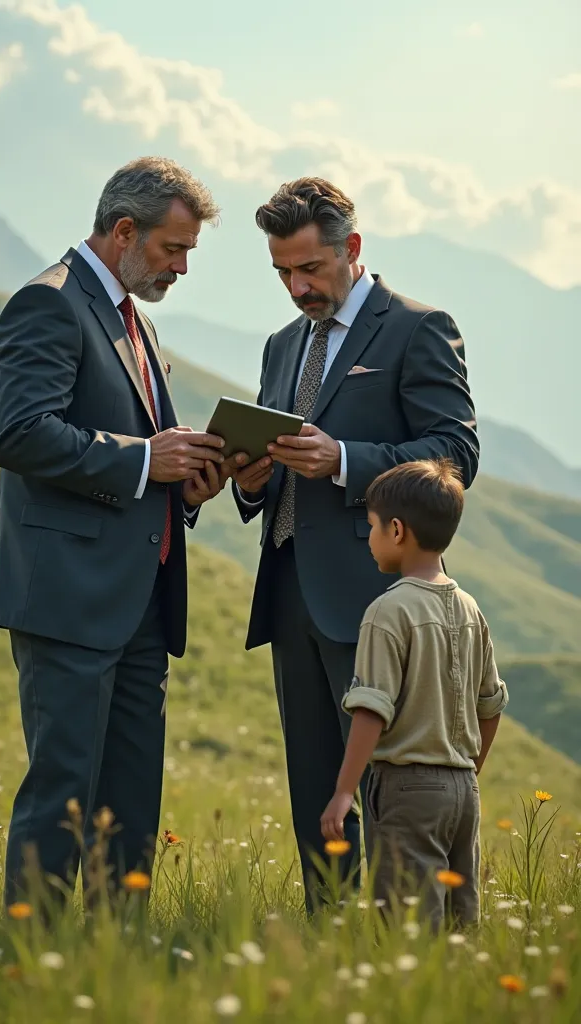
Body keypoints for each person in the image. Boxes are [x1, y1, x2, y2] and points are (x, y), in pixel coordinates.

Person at [0, 157, 238, 907]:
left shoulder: (137, 320)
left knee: (130, 797)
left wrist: (185, 478)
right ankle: (32, 956)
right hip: (68, 595)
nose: (183, 267)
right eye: (172, 249)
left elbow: (135, 456)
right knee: (63, 789)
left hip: (142, 599)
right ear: (124, 230)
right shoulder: (47, 304)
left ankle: (121, 951)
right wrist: (144, 458)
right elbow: (18, 434)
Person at [232, 177, 479, 912]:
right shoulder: (281, 346)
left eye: (310, 268)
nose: (297, 286)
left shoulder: (418, 327)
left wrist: (344, 460)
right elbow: (277, 467)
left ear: (354, 249)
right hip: (288, 596)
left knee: (388, 784)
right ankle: (330, 931)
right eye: (283, 271)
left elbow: (454, 453)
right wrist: (250, 481)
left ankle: (406, 935)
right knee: (314, 781)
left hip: (381, 598)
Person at [321, 459, 508, 929]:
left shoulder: (387, 611)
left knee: (406, 926)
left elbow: (370, 710)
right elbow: (491, 705)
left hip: (408, 791)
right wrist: (466, 770)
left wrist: (345, 792)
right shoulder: (471, 610)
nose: (369, 539)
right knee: (459, 924)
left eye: (371, 527)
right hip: (464, 789)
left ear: (397, 530)